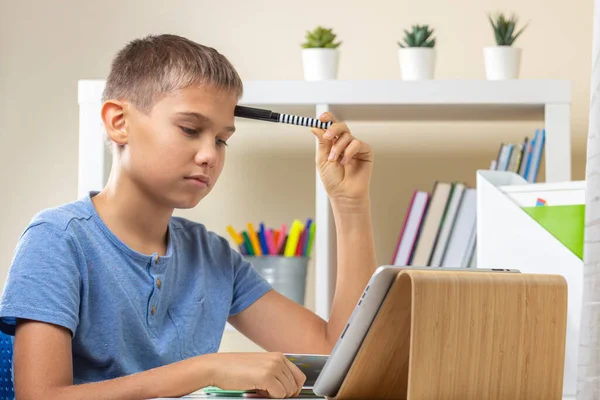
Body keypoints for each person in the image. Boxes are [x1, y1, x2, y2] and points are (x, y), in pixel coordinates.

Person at [0, 34, 377, 400]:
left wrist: (350, 204)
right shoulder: (58, 239)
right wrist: (206, 370)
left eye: (221, 139)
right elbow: (40, 396)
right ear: (119, 122)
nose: (209, 155)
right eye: (190, 129)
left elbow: (338, 357)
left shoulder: (213, 258)